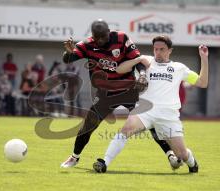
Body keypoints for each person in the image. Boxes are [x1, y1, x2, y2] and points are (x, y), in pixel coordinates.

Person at [60, 19, 178, 169]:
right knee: (88, 125)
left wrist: (142, 75)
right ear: (93, 37)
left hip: (129, 89)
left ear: (109, 32)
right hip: (106, 92)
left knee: (149, 121)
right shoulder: (87, 44)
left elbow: (138, 60)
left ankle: (171, 155)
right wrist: (68, 53)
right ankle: (74, 158)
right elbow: (68, 59)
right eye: (98, 38)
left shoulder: (122, 38)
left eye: (104, 36)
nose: (101, 40)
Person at [93, 35, 208, 173]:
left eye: (162, 49)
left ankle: (192, 163)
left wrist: (204, 58)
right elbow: (119, 69)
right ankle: (104, 162)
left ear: (170, 50)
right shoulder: (146, 61)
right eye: (156, 49)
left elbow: (203, 82)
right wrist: (137, 59)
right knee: (126, 130)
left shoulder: (179, 68)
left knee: (182, 155)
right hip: (145, 111)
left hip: (168, 116)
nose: (158, 52)